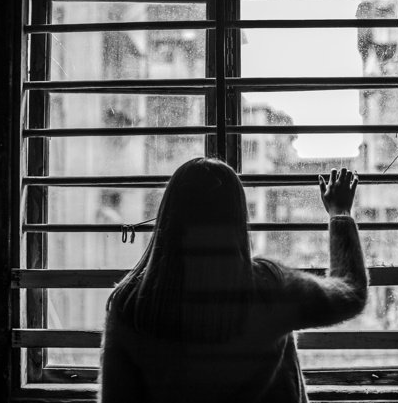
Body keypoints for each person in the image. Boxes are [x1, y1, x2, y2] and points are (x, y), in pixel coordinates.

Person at [99, 157, 367, 403]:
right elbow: (351, 292)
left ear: (169, 215)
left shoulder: (129, 305)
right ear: (238, 217)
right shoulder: (268, 289)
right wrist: (340, 214)